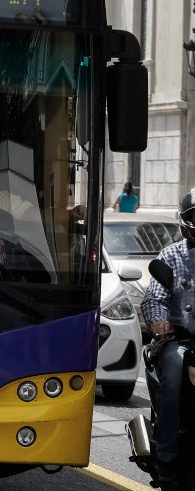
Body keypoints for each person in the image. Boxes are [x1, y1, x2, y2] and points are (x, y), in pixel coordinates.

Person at [141, 188, 195, 491]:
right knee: (174, 370)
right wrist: (159, 321)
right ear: (186, 221)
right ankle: (167, 458)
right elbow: (154, 297)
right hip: (179, 339)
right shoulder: (171, 255)